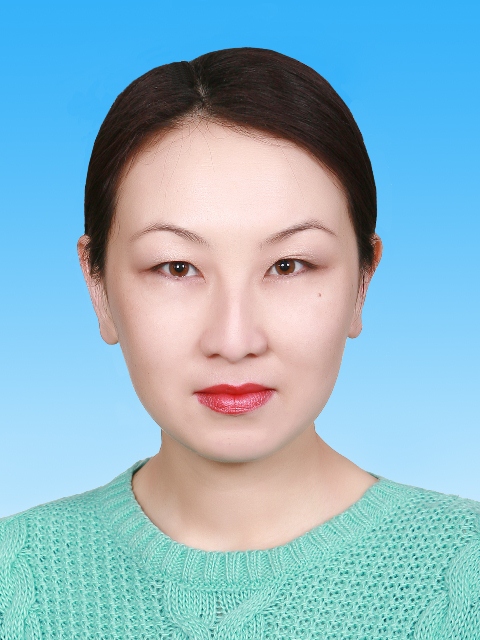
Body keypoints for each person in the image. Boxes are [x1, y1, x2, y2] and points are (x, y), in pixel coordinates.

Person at [1, 47, 478, 639]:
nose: (233, 340)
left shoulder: (466, 574)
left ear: (363, 282)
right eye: (176, 267)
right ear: (97, 287)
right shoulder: (15, 581)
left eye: (288, 265)